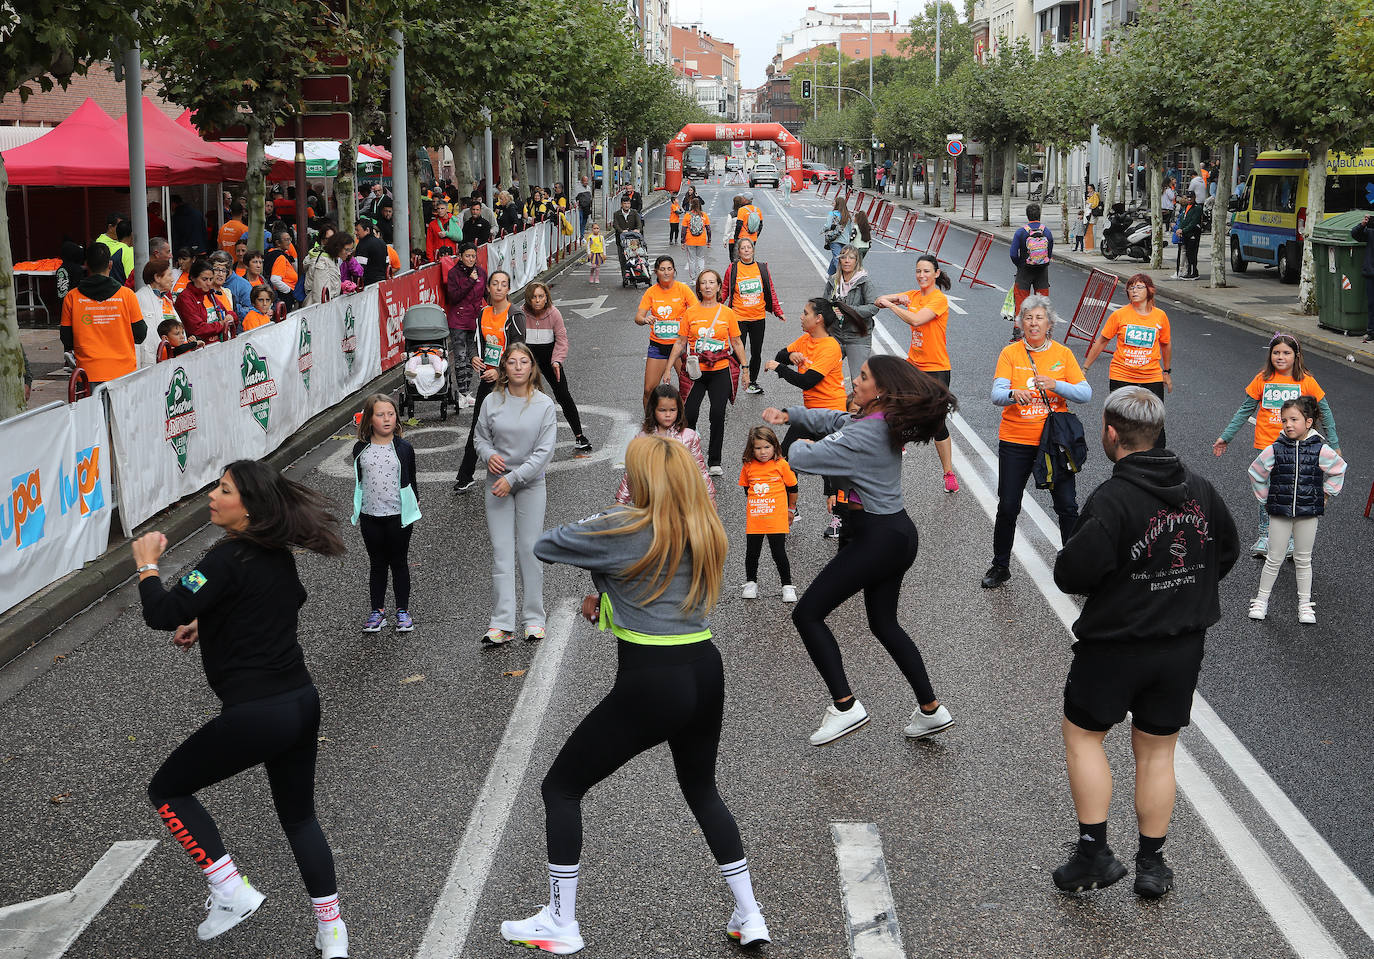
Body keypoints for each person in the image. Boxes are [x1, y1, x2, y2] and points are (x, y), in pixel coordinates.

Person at [508, 435, 770, 955]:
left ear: (642, 481)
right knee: (701, 788)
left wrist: (612, 523)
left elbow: (548, 544)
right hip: (704, 667)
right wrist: (608, 595)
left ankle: (561, 922)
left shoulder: (624, 525)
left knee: (560, 788)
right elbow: (653, 591)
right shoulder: (701, 525)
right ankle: (750, 911)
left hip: (653, 678)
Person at [132, 460, 350, 957]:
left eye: (224, 489)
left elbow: (163, 612)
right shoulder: (274, 555)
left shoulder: (224, 560)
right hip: (301, 702)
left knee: (168, 790)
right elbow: (282, 601)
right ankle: (333, 934)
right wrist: (208, 623)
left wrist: (147, 565)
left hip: (257, 714)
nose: (212, 495)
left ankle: (229, 889)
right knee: (299, 820)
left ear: (248, 506)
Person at [1051, 387, 1238, 900]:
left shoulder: (1112, 500)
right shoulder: (1200, 488)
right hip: (1181, 647)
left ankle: (1094, 852)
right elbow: (1227, 550)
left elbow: (1073, 573)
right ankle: (1152, 866)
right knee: (1157, 753)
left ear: (1112, 434)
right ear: (1158, 433)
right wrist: (1184, 591)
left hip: (1114, 645)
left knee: (1085, 737)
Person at [762, 356, 957, 746]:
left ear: (880, 391)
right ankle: (931, 710)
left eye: (863, 377)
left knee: (808, 614)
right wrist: (791, 414)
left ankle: (846, 706)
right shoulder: (880, 420)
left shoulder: (867, 433)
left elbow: (804, 458)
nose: (855, 379)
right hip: (895, 533)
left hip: (877, 538)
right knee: (884, 625)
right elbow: (836, 421)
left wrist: (797, 443)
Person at [983, 296, 1092, 589]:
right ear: (1021, 323)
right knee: (1008, 506)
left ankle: (1074, 568)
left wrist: (1057, 385)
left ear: (1050, 323)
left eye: (1039, 318)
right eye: (1028, 317)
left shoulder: (1063, 354)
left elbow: (1085, 393)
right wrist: (1012, 395)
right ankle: (1000, 565)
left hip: (1054, 444)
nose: (1033, 323)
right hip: (1016, 440)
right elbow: (996, 394)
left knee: (1067, 506)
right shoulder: (1010, 354)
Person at [1212, 333, 1339, 555]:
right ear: (1270, 355)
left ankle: (1289, 539)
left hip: (1297, 448)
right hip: (1267, 445)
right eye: (1276, 352)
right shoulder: (1262, 379)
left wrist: (1334, 442)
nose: (1280, 357)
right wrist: (1227, 436)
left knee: (1290, 492)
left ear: (1296, 356)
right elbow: (1245, 410)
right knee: (1267, 491)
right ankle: (1265, 536)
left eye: (1286, 353)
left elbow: (1324, 411)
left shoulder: (1306, 381)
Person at [474, 342, 557, 645]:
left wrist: (514, 478)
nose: (519, 367)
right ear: (505, 369)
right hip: (496, 484)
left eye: (524, 362)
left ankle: (534, 619)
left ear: (532, 367)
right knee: (501, 552)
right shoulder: (491, 402)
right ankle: (501, 623)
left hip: (530, 484)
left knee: (529, 549)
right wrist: (487, 455)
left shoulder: (544, 405)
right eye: (512, 362)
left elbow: (543, 453)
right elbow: (479, 438)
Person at [1246, 396, 1347, 624]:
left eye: (1294, 419)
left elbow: (1339, 469)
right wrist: (1266, 499)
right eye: (1284, 420)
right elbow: (1256, 472)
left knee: (1303, 559)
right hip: (1279, 513)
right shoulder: (1276, 448)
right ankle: (1261, 601)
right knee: (1274, 558)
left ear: (1308, 422)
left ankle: (1305, 605)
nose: (1288, 424)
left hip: (1308, 513)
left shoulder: (1320, 449)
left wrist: (1326, 494)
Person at [875, 253, 959, 493]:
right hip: (914, 364)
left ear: (936, 274)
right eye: (918, 271)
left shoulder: (938, 300)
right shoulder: (913, 296)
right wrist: (897, 298)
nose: (922, 275)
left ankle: (948, 473)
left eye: (926, 271)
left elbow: (915, 321)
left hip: (936, 369)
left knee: (937, 424)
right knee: (886, 394)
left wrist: (893, 304)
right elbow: (881, 299)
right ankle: (899, 436)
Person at [665, 270, 749, 474]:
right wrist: (668, 368)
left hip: (720, 370)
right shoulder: (691, 312)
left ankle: (714, 461)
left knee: (717, 413)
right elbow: (680, 342)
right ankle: (690, 455)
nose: (708, 286)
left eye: (712, 282)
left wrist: (745, 369)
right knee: (690, 412)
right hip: (696, 372)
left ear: (719, 286)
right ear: (699, 288)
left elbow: (736, 342)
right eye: (704, 283)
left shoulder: (727, 313)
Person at [351, 393, 421, 634]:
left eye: (391, 414)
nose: (387, 419)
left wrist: (413, 504)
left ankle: (403, 610)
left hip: (398, 516)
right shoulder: (360, 449)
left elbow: (411, 479)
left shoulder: (404, 448)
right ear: (369, 420)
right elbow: (360, 479)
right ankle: (377, 611)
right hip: (370, 516)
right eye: (380, 415)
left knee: (399, 562)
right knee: (377, 564)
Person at [454, 271, 527, 491]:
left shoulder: (515, 315)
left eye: (503, 284)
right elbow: (478, 342)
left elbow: (519, 351)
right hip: (488, 378)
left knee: (513, 428)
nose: (498, 288)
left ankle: (521, 472)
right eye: (494, 283)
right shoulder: (482, 314)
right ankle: (466, 475)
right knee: (479, 425)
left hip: (510, 381)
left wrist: (500, 371)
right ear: (488, 288)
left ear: (508, 289)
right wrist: (475, 357)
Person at [1083, 273, 1172, 446]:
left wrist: (1166, 372)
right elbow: (1101, 341)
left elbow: (1166, 345)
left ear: (1150, 290)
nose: (1134, 291)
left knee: (1155, 422)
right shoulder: (1119, 315)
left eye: (1139, 287)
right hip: (1121, 375)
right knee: (1121, 422)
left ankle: (1157, 460)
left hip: (1151, 377)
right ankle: (1124, 459)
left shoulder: (1160, 316)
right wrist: (1085, 368)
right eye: (1131, 288)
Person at [60, 243, 146, 386]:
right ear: (110, 264)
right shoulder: (127, 295)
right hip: (122, 372)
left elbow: (66, 338)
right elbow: (140, 334)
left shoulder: (72, 297)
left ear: (86, 265)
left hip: (88, 373)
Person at [616, 384, 715, 505]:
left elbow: (700, 470)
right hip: (652, 501)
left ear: (679, 410)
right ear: (653, 410)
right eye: (662, 410)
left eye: (672, 410)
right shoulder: (642, 438)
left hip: (682, 500)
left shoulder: (689, 436)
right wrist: (621, 501)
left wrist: (710, 497)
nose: (668, 414)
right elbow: (632, 473)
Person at [523, 282, 593, 452]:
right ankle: (525, 441)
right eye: (534, 297)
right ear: (528, 299)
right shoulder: (521, 313)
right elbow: (516, 339)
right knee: (526, 398)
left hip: (550, 358)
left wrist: (557, 360)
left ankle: (579, 436)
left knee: (563, 394)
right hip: (528, 357)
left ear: (546, 297)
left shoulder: (554, 313)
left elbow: (561, 339)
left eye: (541, 296)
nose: (538, 300)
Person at [738, 425, 798, 603]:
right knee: (752, 553)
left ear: (775, 447)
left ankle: (787, 585)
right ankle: (751, 583)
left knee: (778, 552)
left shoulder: (781, 465)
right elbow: (746, 489)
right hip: (755, 519)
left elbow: (793, 488)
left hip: (776, 519)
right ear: (751, 448)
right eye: (758, 448)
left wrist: (791, 509)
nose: (763, 452)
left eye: (767, 447)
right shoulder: (748, 466)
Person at [723, 238, 786, 395]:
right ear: (738, 252)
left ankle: (752, 382)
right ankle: (730, 381)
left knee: (756, 352)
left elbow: (770, 291)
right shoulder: (733, 268)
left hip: (758, 317)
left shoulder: (762, 268)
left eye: (748, 247)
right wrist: (711, 306)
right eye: (742, 248)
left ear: (753, 250)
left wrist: (778, 311)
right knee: (738, 351)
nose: (746, 250)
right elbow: (724, 290)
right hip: (738, 317)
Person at [635, 255, 699, 408]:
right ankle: (650, 425)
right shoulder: (651, 292)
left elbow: (697, 311)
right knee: (649, 389)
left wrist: (687, 322)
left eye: (669, 269)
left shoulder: (682, 289)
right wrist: (645, 320)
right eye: (662, 269)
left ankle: (687, 425)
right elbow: (638, 317)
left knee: (687, 389)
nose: (666, 273)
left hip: (679, 347)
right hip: (658, 347)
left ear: (674, 271)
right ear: (656, 272)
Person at [821, 246, 877, 384]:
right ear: (839, 260)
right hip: (835, 335)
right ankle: (829, 405)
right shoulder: (833, 280)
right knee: (823, 375)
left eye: (851, 258)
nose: (847, 261)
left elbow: (873, 307)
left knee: (858, 381)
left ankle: (861, 406)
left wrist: (849, 310)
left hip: (858, 336)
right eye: (844, 257)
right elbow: (823, 305)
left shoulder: (864, 281)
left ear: (857, 261)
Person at [445, 243, 486, 405]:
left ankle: (466, 392)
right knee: (460, 357)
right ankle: (461, 392)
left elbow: (487, 294)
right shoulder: (453, 273)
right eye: (467, 256)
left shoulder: (481, 272)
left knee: (473, 357)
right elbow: (454, 297)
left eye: (473, 256)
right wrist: (470, 281)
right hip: (458, 321)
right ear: (460, 256)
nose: (470, 259)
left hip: (475, 320)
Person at [1010, 203, 1053, 318]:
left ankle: (1019, 332)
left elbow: (1013, 254)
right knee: (1042, 304)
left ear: (1027, 216)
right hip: (1042, 272)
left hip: (1024, 271)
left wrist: (1020, 265)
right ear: (1040, 215)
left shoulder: (1020, 232)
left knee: (1021, 303)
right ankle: (1042, 331)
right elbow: (1049, 253)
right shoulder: (1047, 232)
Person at [136, 259, 178, 368]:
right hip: (152, 363)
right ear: (157, 278)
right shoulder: (140, 298)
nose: (172, 279)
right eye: (169, 275)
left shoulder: (166, 300)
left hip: (171, 359)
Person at [303, 232, 348, 306]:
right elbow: (320, 294)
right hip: (321, 308)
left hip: (330, 304)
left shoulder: (332, 258)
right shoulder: (322, 260)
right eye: (327, 238)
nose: (330, 241)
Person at [1351, 214, 1374, 343]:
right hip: (1371, 272)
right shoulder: (1370, 230)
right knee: (1371, 304)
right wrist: (1363, 224)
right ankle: (1371, 331)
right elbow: (1354, 234)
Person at [94, 212, 135, 284]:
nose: (122, 228)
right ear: (110, 227)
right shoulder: (101, 244)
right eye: (119, 225)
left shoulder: (121, 244)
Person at [681, 197, 711, 281]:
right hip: (701, 240)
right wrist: (709, 241)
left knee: (692, 260)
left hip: (690, 240)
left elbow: (683, 230)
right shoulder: (704, 215)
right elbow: (708, 229)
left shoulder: (688, 215)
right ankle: (701, 275)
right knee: (701, 258)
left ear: (691, 205)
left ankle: (693, 278)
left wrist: (682, 242)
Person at [353, 218, 389, 287]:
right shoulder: (382, 243)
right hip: (382, 282)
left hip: (368, 285)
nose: (355, 233)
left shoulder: (362, 245)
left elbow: (359, 269)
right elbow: (387, 263)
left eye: (357, 230)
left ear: (367, 230)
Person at [823, 195, 852, 277]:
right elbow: (850, 230)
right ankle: (830, 274)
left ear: (837, 204)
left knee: (837, 258)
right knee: (838, 256)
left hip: (835, 239)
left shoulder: (832, 214)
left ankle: (841, 275)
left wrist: (823, 229)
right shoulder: (847, 215)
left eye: (835, 202)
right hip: (845, 240)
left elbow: (827, 226)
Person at [1176, 192, 1202, 279]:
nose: (1190, 199)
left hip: (1193, 233)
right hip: (1185, 234)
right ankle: (1189, 271)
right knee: (1187, 253)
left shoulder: (1197, 208)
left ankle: (1193, 272)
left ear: (1194, 197)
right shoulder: (1185, 207)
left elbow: (1193, 222)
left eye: (1191, 197)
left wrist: (1183, 230)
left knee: (1192, 253)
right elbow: (1182, 220)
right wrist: (1179, 229)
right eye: (1188, 197)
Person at [731, 194, 763, 261]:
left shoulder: (742, 210)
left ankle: (739, 269)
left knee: (738, 257)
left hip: (742, 237)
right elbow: (760, 225)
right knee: (750, 255)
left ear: (745, 200)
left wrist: (736, 237)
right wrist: (756, 235)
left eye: (742, 198)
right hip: (753, 238)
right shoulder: (757, 210)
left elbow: (739, 225)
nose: (741, 199)